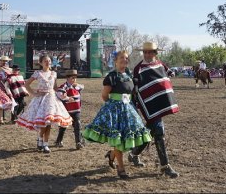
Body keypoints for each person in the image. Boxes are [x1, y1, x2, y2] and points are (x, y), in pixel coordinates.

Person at [82, 51, 152, 179]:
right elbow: (104, 95)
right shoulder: (112, 76)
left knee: (127, 138)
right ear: (115, 61)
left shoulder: (129, 75)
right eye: (121, 58)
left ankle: (111, 155)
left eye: (126, 58)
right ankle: (121, 168)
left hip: (129, 109)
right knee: (118, 139)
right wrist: (113, 106)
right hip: (115, 110)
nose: (124, 60)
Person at [129, 41, 180, 178]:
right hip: (148, 105)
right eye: (145, 52)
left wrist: (171, 73)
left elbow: (167, 72)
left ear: (155, 53)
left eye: (150, 52)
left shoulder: (159, 63)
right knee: (159, 131)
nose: (147, 54)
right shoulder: (138, 68)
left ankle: (133, 154)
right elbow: (135, 88)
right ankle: (165, 166)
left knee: (149, 133)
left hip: (161, 102)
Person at [16, 55, 72, 154]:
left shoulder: (54, 73)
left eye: (49, 61)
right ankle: (40, 139)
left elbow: (55, 87)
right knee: (43, 123)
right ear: (41, 62)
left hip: (51, 99)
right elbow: (26, 84)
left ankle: (45, 144)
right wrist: (34, 93)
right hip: (40, 100)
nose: (48, 62)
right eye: (45, 61)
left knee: (49, 122)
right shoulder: (38, 73)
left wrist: (64, 96)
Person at [54, 69, 85, 150]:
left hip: (76, 110)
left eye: (75, 78)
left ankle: (78, 142)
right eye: (72, 78)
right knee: (64, 125)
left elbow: (82, 87)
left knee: (77, 124)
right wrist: (67, 98)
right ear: (67, 78)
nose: (74, 80)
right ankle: (58, 140)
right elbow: (59, 94)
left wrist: (76, 85)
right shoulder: (64, 86)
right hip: (66, 110)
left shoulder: (76, 86)